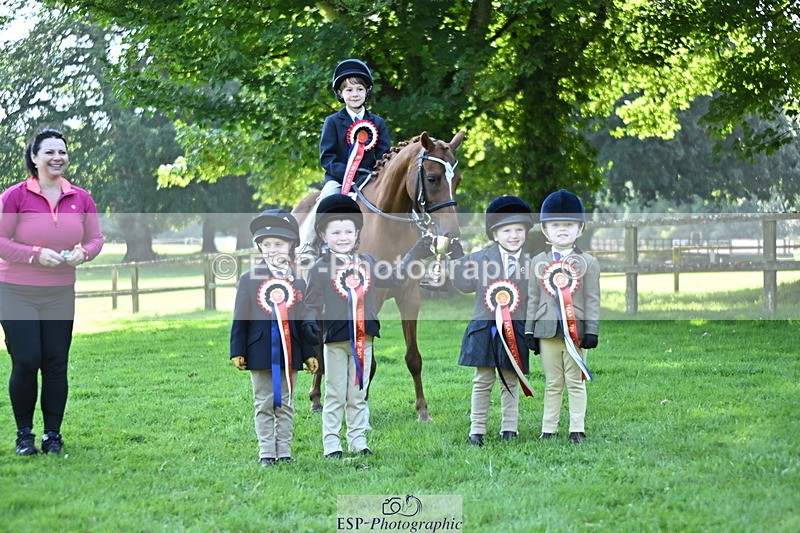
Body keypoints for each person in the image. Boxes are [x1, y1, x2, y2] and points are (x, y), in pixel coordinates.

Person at [300, 195, 432, 459]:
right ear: (324, 237)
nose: (343, 237)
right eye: (335, 233)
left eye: (348, 231)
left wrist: (416, 252)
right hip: (335, 340)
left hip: (364, 338)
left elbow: (395, 277)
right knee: (336, 393)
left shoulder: (369, 262)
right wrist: (309, 322)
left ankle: (358, 440)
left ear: (357, 234)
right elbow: (312, 302)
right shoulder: (320, 268)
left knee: (358, 393)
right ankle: (332, 444)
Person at [0, 128, 104, 456]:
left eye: (63, 151)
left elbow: (95, 239)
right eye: (50, 152)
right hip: (16, 290)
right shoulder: (15, 196)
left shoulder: (80, 197)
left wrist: (83, 253)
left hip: (60, 291)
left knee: (56, 363)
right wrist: (33, 253)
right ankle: (24, 435)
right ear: (34, 157)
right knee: (27, 359)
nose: (58, 157)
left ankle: (53, 436)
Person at [230, 209, 319, 467]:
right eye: (266, 245)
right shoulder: (248, 280)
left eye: (278, 244)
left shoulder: (298, 285)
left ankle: (285, 451)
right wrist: (237, 350)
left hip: (290, 353)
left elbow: (302, 323)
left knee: (286, 403)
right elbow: (240, 319)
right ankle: (267, 453)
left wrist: (310, 353)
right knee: (264, 402)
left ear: (291, 246)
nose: (271, 250)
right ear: (259, 246)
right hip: (258, 352)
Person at [452, 196, 535, 446]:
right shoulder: (479, 259)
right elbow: (464, 285)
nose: (514, 235)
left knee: (511, 377)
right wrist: (456, 262)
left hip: (515, 329)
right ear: (495, 234)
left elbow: (533, 300)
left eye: (519, 230)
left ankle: (509, 428)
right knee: (483, 379)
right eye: (507, 230)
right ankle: (476, 430)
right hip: (484, 328)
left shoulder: (531, 264)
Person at [524, 189, 600, 444]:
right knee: (553, 382)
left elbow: (592, 299)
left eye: (569, 225)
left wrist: (592, 330)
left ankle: (576, 428)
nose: (562, 230)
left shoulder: (587, 262)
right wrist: (529, 331)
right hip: (546, 332)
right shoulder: (538, 261)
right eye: (556, 225)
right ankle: (549, 428)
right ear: (545, 231)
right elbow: (533, 299)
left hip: (576, 333)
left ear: (580, 229)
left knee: (575, 382)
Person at [298, 58, 392, 254]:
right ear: (340, 94)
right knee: (325, 198)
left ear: (367, 91)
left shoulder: (378, 122)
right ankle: (308, 245)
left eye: (359, 89)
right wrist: (349, 173)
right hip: (339, 180)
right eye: (349, 90)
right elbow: (327, 157)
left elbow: (385, 156)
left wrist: (372, 173)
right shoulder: (332, 121)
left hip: (370, 178)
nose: (355, 94)